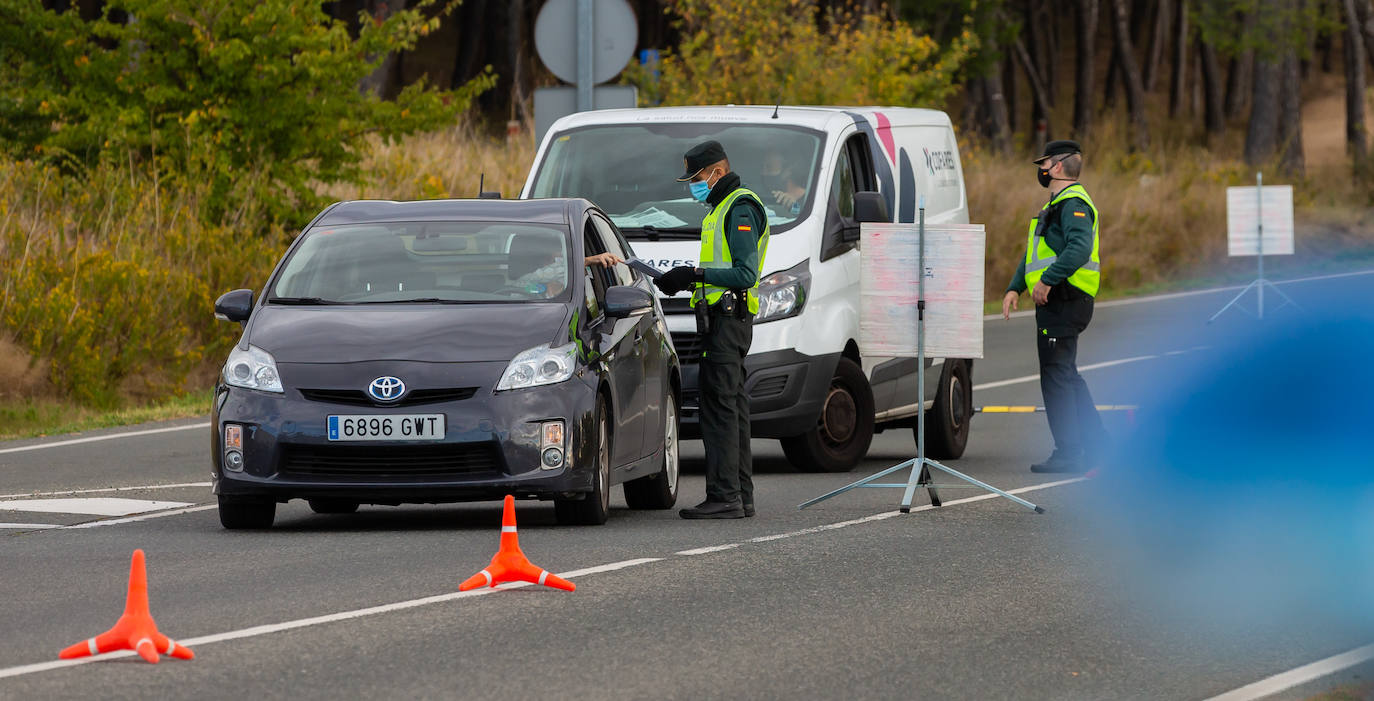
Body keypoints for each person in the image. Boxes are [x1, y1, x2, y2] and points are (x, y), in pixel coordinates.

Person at [654, 140, 770, 519]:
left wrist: (696, 273)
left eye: (698, 177)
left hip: (728, 322)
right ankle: (740, 495)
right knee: (731, 407)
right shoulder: (720, 207)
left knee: (720, 409)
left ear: (717, 172)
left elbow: (745, 273)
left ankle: (725, 496)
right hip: (721, 319)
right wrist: (686, 280)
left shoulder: (739, 207)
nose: (694, 184)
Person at [1002, 140, 1108, 474]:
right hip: (1062, 299)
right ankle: (1097, 445)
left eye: (1044, 163)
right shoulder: (1059, 203)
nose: (1041, 170)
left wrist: (1047, 281)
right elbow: (1036, 252)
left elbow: (1079, 248)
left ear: (1058, 166)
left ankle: (1069, 453)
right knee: (1066, 375)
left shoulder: (1073, 203)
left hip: (1064, 298)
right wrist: (1015, 287)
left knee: (1056, 377)